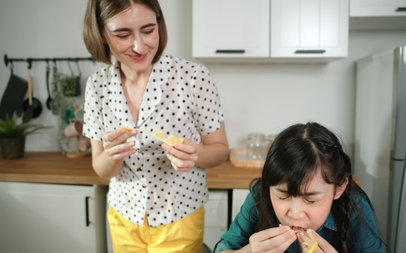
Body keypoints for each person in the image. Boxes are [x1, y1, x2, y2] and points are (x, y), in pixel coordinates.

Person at [82, 0, 229, 252]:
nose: (139, 46)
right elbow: (101, 168)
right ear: (102, 34)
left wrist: (196, 155)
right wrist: (112, 156)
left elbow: (220, 149)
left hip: (181, 215)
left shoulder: (193, 77)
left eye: (148, 31)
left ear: (159, 25)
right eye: (123, 35)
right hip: (124, 216)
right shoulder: (97, 86)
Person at [214, 122, 386, 253]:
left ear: (338, 189)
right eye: (282, 196)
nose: (295, 213)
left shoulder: (354, 204)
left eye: (311, 200)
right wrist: (248, 251)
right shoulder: (260, 194)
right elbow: (223, 248)